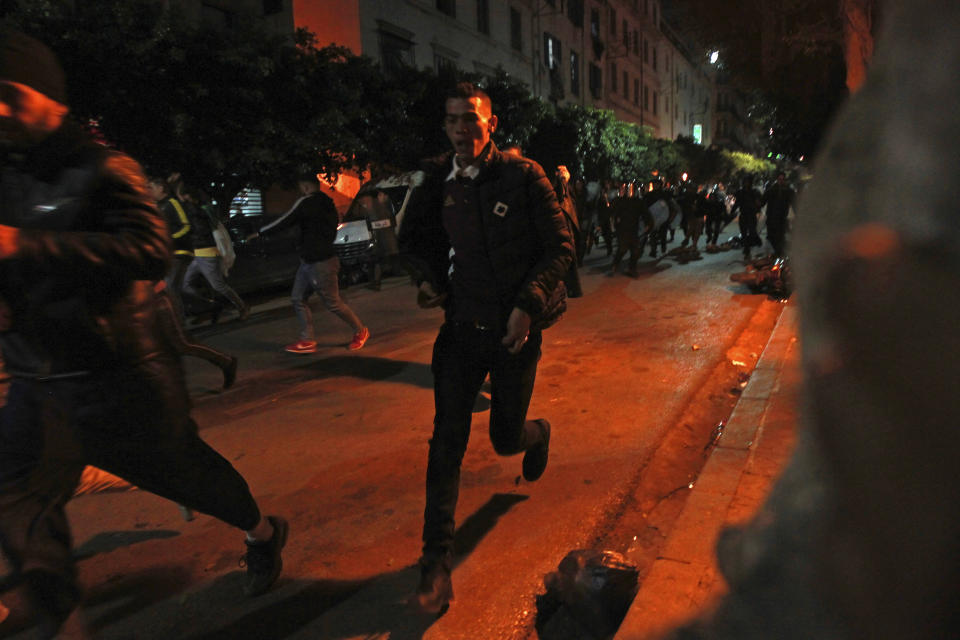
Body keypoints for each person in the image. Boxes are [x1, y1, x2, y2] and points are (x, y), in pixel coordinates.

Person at [0, 31, 287, 637]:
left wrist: (26, 245)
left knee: (189, 476)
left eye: (8, 94)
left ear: (48, 96)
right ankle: (51, 606)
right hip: (37, 377)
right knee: (16, 491)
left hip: (118, 377)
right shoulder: (8, 177)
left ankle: (262, 531)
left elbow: (149, 252)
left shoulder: (107, 169)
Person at [398, 82, 573, 615]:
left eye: (471, 120)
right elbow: (414, 242)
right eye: (452, 120)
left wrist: (527, 306)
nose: (460, 129)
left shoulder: (524, 176)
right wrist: (427, 280)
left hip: (513, 333)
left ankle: (538, 433)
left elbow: (561, 247)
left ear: (490, 124)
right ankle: (435, 563)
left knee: (503, 438)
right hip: (460, 331)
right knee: (446, 441)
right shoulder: (434, 181)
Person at [249, 172, 370, 353]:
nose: (300, 192)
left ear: (305, 187)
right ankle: (307, 341)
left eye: (301, 188)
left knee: (332, 302)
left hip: (321, 262)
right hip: (311, 260)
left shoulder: (306, 202)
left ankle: (360, 331)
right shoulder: (329, 204)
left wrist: (260, 232)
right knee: (298, 298)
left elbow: (286, 220)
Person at [173, 175, 250, 322]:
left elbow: (201, 232)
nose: (179, 199)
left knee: (218, 286)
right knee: (184, 284)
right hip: (197, 254)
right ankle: (209, 307)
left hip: (206, 254)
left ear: (187, 196)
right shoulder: (197, 209)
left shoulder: (197, 212)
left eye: (180, 195)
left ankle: (242, 307)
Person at [553, 165, 583, 297]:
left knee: (568, 258)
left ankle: (569, 288)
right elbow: (561, 196)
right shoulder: (556, 186)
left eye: (565, 170)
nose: (564, 173)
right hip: (561, 228)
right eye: (561, 170)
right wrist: (562, 181)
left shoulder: (568, 187)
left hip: (567, 227)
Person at [609, 183, 644, 276]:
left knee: (635, 251)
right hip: (623, 229)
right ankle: (615, 265)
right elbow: (613, 210)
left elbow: (644, 213)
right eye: (628, 189)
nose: (630, 191)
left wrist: (649, 223)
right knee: (622, 249)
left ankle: (632, 268)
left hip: (634, 229)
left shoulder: (638, 202)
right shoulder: (620, 201)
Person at [761, 172, 796, 257]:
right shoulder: (772, 189)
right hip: (771, 217)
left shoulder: (788, 191)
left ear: (785, 180)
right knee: (771, 236)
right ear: (777, 179)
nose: (781, 181)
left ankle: (780, 253)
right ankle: (779, 252)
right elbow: (763, 201)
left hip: (781, 217)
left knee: (780, 236)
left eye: (782, 179)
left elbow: (794, 203)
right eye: (779, 179)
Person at [731, 176, 763, 260]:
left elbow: (759, 202)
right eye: (745, 182)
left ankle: (756, 240)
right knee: (744, 233)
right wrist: (732, 211)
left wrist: (758, 207)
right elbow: (737, 203)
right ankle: (747, 249)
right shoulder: (740, 192)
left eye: (748, 182)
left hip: (752, 215)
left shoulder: (754, 192)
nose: (746, 184)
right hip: (743, 215)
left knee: (752, 231)